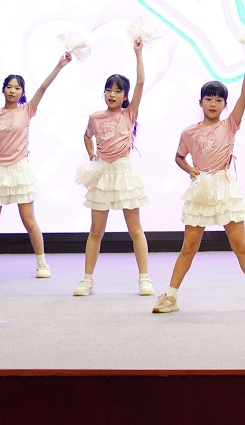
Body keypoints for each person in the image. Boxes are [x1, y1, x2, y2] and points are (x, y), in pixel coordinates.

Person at [152, 53, 245, 314]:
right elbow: (179, 157)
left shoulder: (230, 125)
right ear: (200, 102)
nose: (213, 103)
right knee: (189, 246)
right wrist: (191, 170)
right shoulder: (189, 131)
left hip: (225, 187)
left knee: (240, 245)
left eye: (219, 100)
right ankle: (170, 296)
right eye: (208, 99)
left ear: (225, 105)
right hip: (201, 189)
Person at [0, 53, 72, 279]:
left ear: (22, 92)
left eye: (17, 88)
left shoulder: (26, 110)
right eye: (9, 87)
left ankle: (42, 263)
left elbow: (44, 87)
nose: (12, 91)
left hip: (19, 169)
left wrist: (60, 64)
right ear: (3, 90)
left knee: (28, 220)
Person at [73, 38, 151, 297]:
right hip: (103, 173)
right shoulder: (95, 117)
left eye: (118, 91)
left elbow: (141, 83)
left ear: (125, 96)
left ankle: (144, 278)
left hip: (124, 172)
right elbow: (87, 136)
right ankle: (87, 280)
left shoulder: (129, 114)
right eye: (109, 90)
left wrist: (138, 53)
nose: (112, 94)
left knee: (135, 229)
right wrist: (92, 154)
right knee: (96, 230)